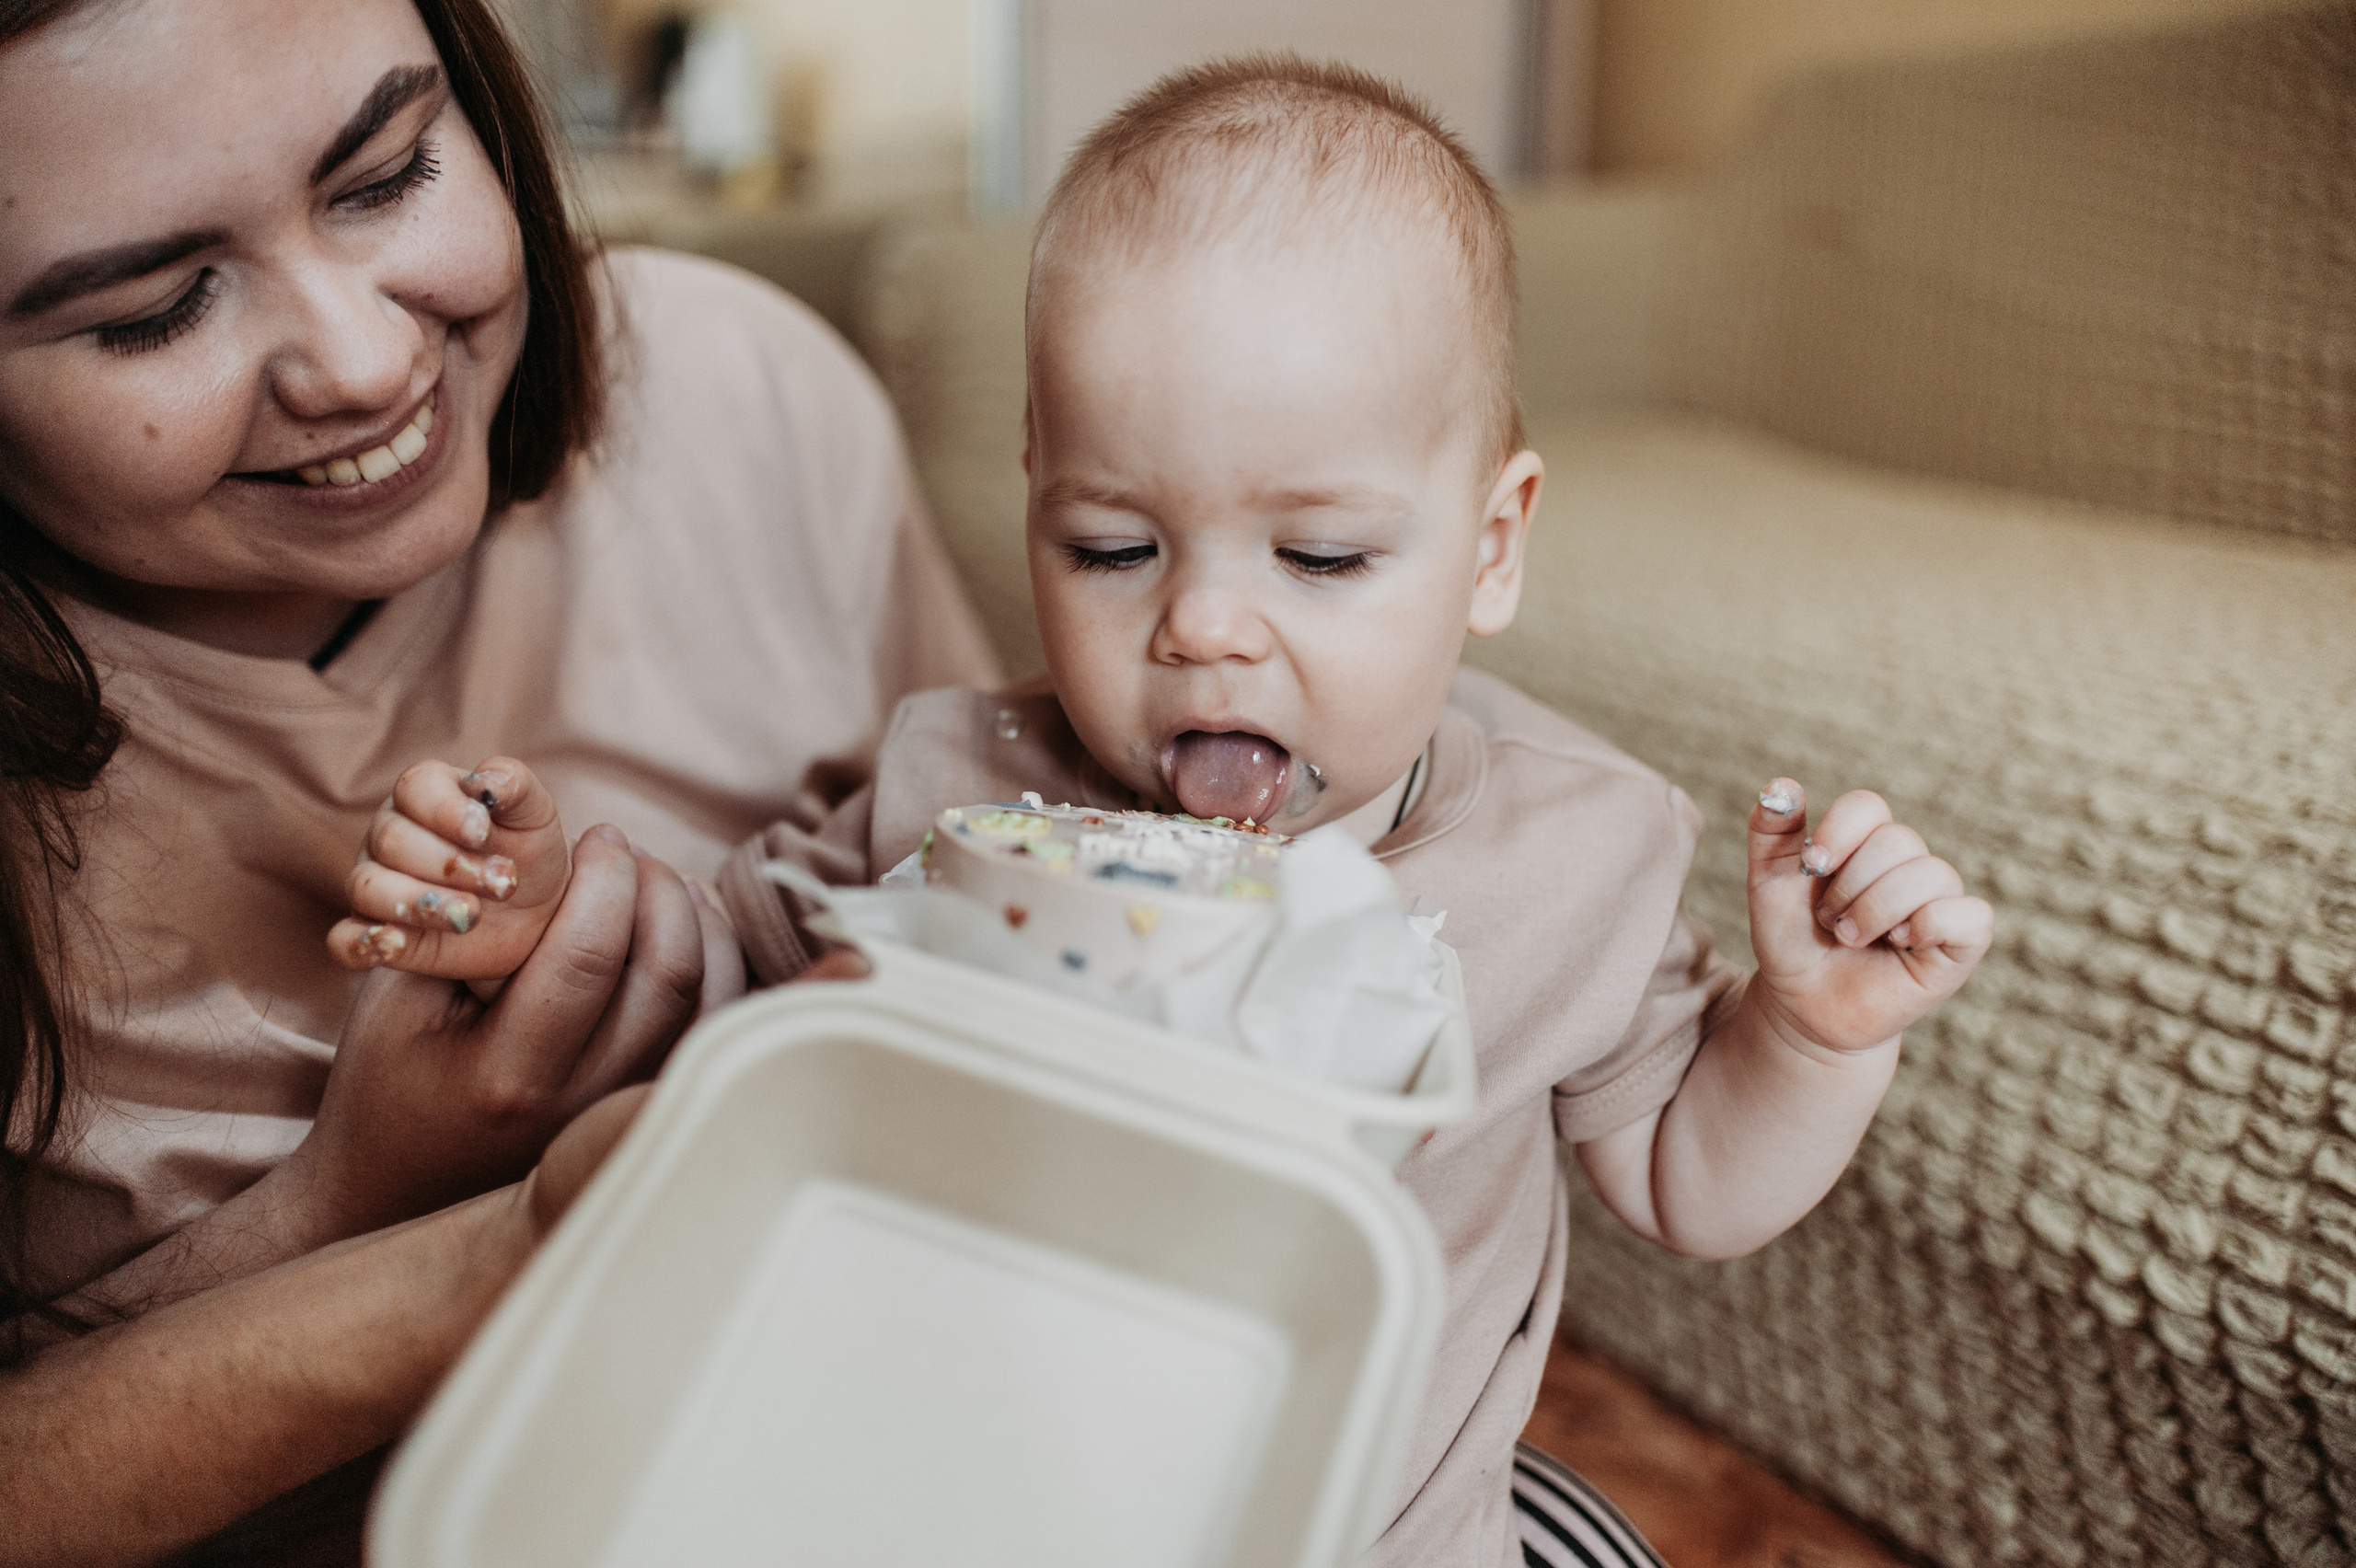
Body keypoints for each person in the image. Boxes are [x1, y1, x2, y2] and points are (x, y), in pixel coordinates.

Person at [364, 54, 1994, 1568]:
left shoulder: (1572, 853)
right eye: (1113, 549)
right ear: (1032, 503)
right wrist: (545, 911)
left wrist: (1814, 1034)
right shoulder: (953, 788)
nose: (1203, 630)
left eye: (1323, 557)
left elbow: (1688, 1178)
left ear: (1493, 547)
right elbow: (722, 981)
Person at [0, 0, 994, 1561]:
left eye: (389, 173)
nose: (367, 359)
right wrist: (361, 1214)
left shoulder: (740, 393)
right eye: (152, 310)